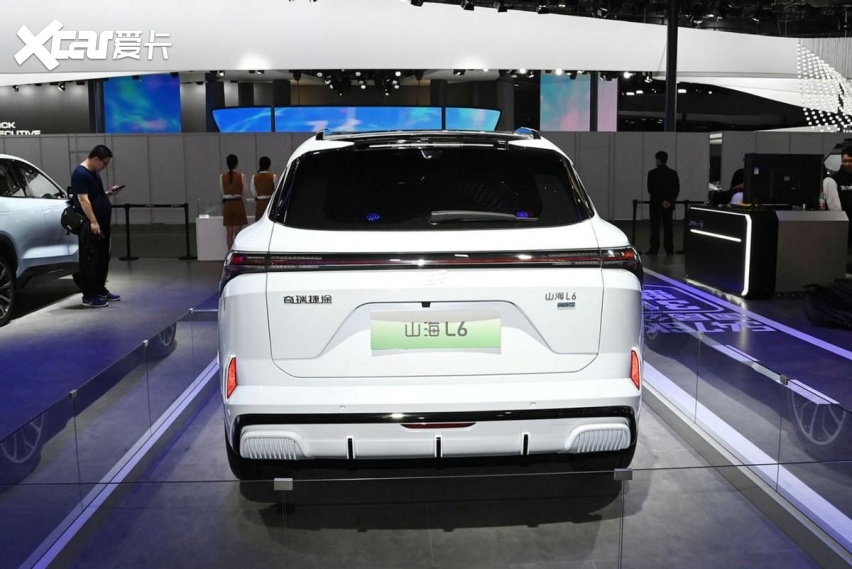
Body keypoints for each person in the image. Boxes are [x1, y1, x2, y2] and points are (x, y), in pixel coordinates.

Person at [70, 145, 122, 307]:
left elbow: (94, 196)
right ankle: (89, 295)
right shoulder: (80, 174)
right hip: (91, 224)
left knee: (102, 258)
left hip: (102, 223)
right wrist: (93, 221)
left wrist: (108, 193)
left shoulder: (93, 173)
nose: (104, 167)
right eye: (104, 163)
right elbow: (83, 200)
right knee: (90, 259)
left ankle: (100, 289)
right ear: (95, 159)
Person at [646, 150, 680, 255]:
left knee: (655, 227)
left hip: (656, 204)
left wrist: (661, 201)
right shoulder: (673, 173)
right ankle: (669, 249)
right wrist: (669, 201)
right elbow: (676, 189)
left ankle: (654, 249)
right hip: (669, 205)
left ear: (658, 160)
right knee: (668, 227)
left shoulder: (652, 173)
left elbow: (651, 189)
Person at [822, 146, 852, 248]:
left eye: (850, 161)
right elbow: (835, 210)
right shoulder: (832, 180)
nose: (847, 164)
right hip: (844, 229)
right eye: (845, 161)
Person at [220, 154, 248, 249]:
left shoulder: (222, 176)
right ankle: (237, 250)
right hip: (238, 203)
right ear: (237, 163)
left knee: (229, 232)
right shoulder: (241, 176)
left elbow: (222, 191)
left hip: (227, 204)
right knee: (237, 232)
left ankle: (229, 252)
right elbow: (245, 190)